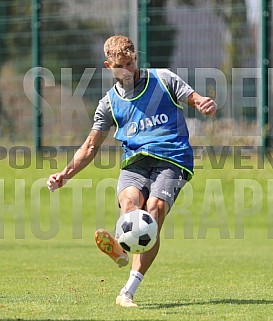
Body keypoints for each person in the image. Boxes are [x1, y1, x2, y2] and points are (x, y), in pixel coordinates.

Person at [47, 35, 217, 307]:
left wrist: (204, 104)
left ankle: (128, 290)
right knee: (129, 206)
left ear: (136, 57)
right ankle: (122, 249)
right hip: (135, 162)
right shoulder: (109, 103)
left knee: (155, 210)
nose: (127, 70)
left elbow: (195, 99)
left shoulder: (163, 79)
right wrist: (65, 175)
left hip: (172, 158)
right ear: (108, 66)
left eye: (130, 63)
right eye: (120, 66)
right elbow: (90, 146)